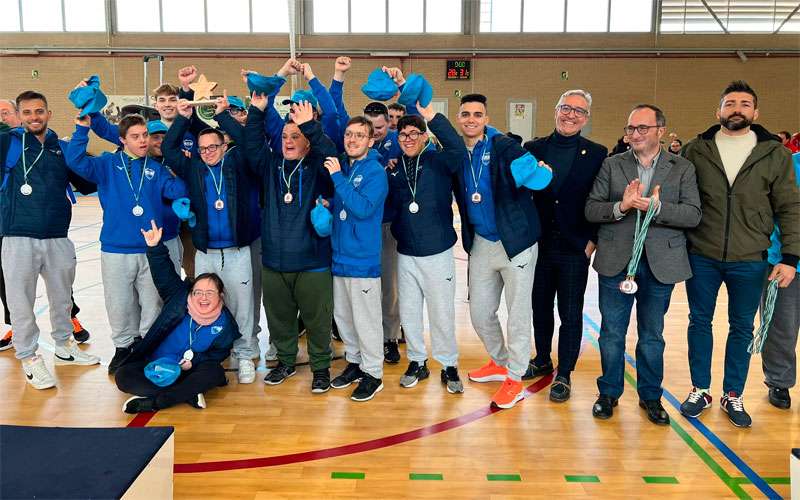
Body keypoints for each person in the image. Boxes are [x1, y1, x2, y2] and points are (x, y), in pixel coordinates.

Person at [680, 81, 799, 428]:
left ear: (755, 113)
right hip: (702, 254)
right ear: (718, 111)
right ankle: (700, 389)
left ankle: (733, 394)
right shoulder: (695, 149)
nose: (737, 108)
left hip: (751, 257)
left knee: (742, 327)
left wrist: (790, 256)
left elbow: (790, 207)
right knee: (699, 323)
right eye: (730, 103)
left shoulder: (774, 153)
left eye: (745, 104)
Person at [585, 104, 701, 424]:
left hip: (660, 262)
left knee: (652, 336)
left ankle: (651, 396)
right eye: (631, 129)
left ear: (660, 131)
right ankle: (608, 392)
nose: (634, 135)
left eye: (642, 129)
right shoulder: (612, 165)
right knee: (611, 334)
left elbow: (693, 214)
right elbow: (592, 209)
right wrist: (622, 206)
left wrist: (657, 208)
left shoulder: (682, 168)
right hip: (616, 261)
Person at [65, 113, 188, 374]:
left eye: (145, 135)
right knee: (119, 303)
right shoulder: (108, 164)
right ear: (122, 140)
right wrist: (81, 129)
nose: (143, 141)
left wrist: (180, 171)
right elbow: (75, 161)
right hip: (116, 248)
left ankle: (146, 348)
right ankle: (123, 347)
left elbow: (177, 191)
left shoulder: (156, 169)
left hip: (151, 250)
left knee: (152, 303)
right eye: (136, 136)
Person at [455, 93, 552, 409]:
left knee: (518, 315)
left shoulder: (501, 147)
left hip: (516, 243)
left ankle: (515, 378)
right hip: (482, 243)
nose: (471, 119)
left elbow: (530, 172)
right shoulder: (458, 152)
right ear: (459, 118)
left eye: (477, 114)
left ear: (486, 118)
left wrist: (538, 169)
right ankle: (499, 361)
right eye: (466, 114)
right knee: (480, 312)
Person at [0, 91, 100, 389]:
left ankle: (64, 347)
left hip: (58, 235)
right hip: (18, 236)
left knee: (62, 299)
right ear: (19, 115)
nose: (34, 117)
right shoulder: (7, 143)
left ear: (49, 113)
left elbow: (89, 180)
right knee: (21, 303)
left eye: (39, 111)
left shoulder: (63, 149)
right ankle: (29, 358)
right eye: (28, 112)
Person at [161, 99, 260, 384]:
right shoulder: (193, 168)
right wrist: (182, 117)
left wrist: (222, 115)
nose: (207, 153)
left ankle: (244, 355)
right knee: (206, 303)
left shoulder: (238, 163)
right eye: (202, 148)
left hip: (237, 250)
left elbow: (246, 140)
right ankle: (213, 351)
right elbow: (168, 149)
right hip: (206, 252)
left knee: (242, 306)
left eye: (213, 147)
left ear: (224, 146)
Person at [245, 95, 337, 393]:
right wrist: (257, 111)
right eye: (284, 136)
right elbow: (251, 142)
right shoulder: (270, 166)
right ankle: (285, 361)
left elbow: (328, 150)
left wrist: (309, 125)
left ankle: (321, 368)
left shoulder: (319, 169)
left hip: (312, 261)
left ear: (307, 140)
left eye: (295, 136)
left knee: (317, 319)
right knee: (279, 317)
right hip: (274, 260)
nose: (288, 141)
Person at [522, 90, 608, 402]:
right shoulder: (532, 149)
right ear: (556, 110)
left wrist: (593, 240)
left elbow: (603, 198)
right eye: (566, 108)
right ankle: (542, 359)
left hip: (575, 247)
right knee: (540, 308)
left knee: (570, 313)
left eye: (578, 111)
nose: (570, 115)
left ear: (586, 118)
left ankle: (565, 373)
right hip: (539, 245)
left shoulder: (597, 153)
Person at [115, 220, 239, 413]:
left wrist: (194, 362)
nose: (202, 298)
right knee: (123, 375)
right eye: (198, 292)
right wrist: (155, 246)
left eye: (210, 293)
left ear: (220, 295)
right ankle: (186, 394)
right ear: (191, 292)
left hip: (188, 373)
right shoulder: (179, 298)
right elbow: (164, 274)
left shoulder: (226, 325)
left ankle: (157, 402)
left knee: (213, 372)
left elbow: (217, 355)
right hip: (156, 366)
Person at [387, 102, 467, 394]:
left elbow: (457, 147)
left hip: (438, 253)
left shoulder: (439, 161)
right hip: (406, 252)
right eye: (402, 134)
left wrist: (433, 117)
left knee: (441, 312)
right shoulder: (394, 169)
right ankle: (417, 362)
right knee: (409, 313)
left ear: (424, 136)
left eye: (413, 133)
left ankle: (448, 364)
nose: (408, 139)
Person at [324, 116, 388, 401]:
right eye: (349, 134)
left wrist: (337, 179)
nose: (351, 139)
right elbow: (347, 204)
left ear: (370, 141)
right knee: (344, 317)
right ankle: (355, 361)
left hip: (363, 260)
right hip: (340, 256)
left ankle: (373, 372)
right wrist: (330, 203)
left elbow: (362, 208)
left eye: (359, 135)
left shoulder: (375, 171)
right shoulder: (348, 168)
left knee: (367, 319)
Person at [761, 151, 800, 409]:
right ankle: (779, 382)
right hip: (785, 260)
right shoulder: (789, 162)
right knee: (781, 326)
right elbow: (778, 210)